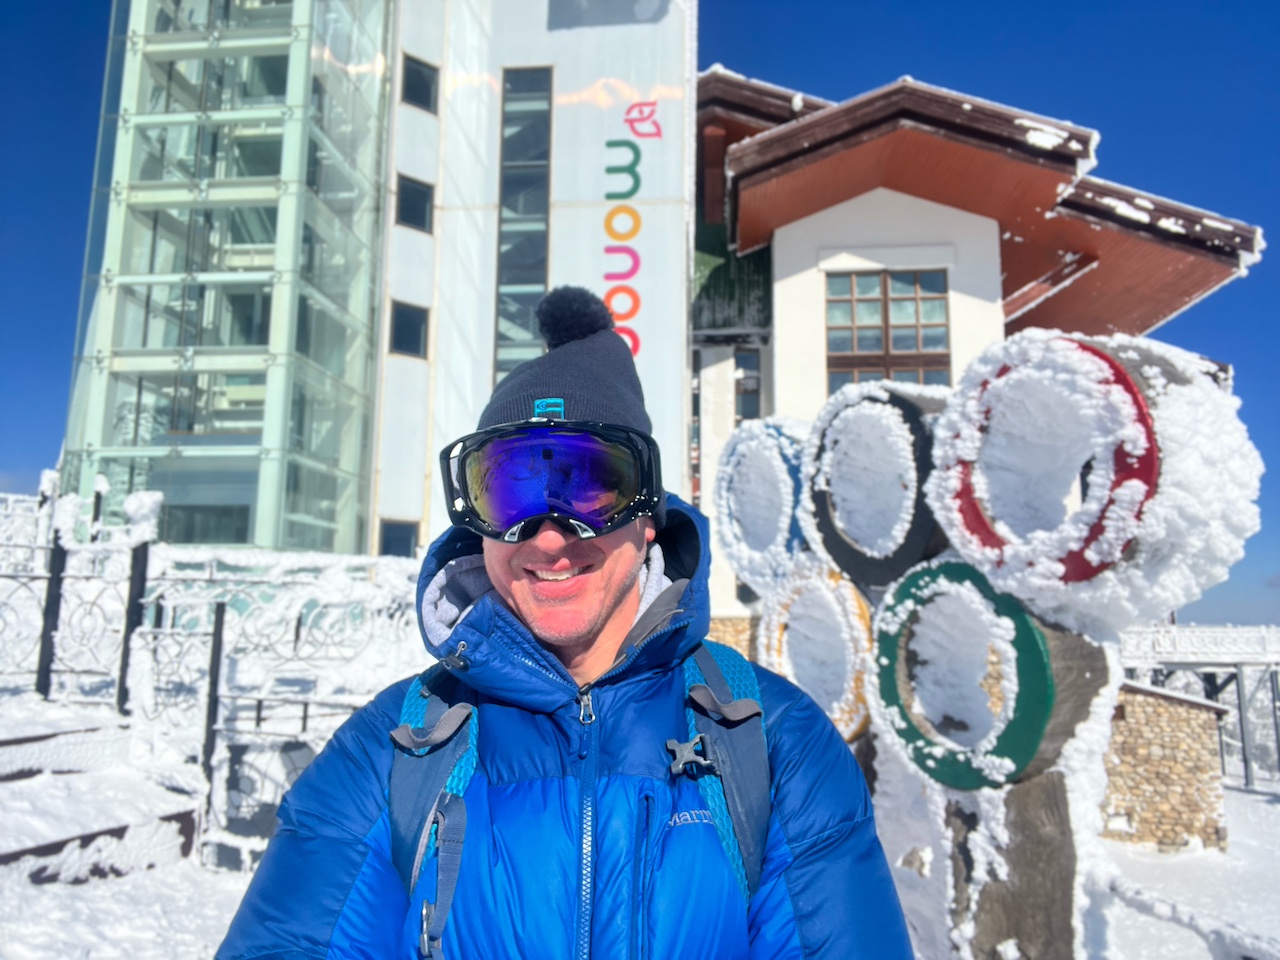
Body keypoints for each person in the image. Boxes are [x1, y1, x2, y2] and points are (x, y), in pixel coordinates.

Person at [218, 288, 913, 959]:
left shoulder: (771, 744)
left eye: (590, 486)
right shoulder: (397, 748)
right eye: (512, 490)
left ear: (648, 519)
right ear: (477, 526)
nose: (550, 538)